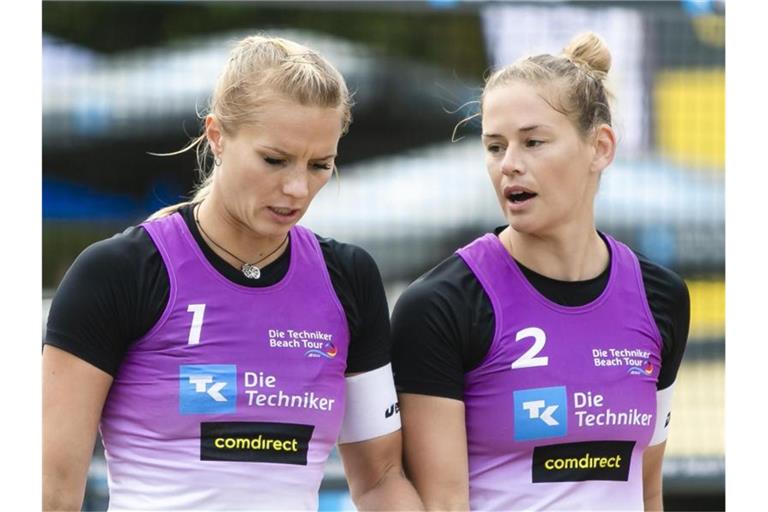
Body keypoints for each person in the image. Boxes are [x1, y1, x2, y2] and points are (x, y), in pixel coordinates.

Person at [43, 34, 423, 511]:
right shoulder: (119, 272)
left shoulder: (348, 277)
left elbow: (381, 479)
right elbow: (49, 489)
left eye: (320, 165)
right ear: (217, 136)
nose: (296, 188)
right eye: (274, 159)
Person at [391, 32, 689, 511]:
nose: (509, 165)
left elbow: (647, 491)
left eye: (532, 142)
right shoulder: (441, 304)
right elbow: (440, 503)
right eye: (494, 146)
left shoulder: (660, 297)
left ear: (601, 147)